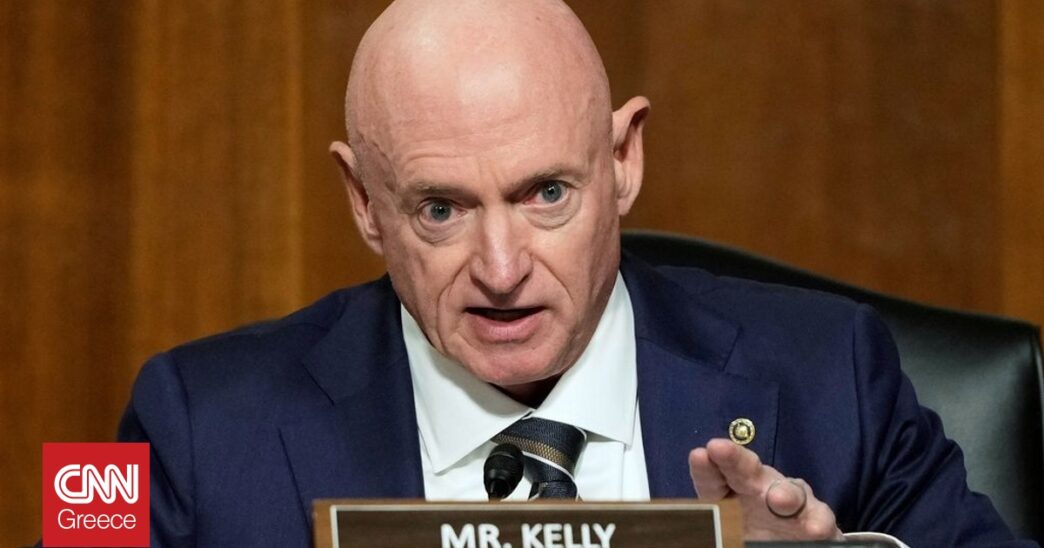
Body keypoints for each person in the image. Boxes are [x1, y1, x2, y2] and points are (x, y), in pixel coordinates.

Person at [118, 0, 1031, 546]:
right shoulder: (184, 419)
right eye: (441, 210)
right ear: (363, 202)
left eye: (546, 194)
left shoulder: (836, 374)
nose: (502, 269)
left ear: (624, 160)